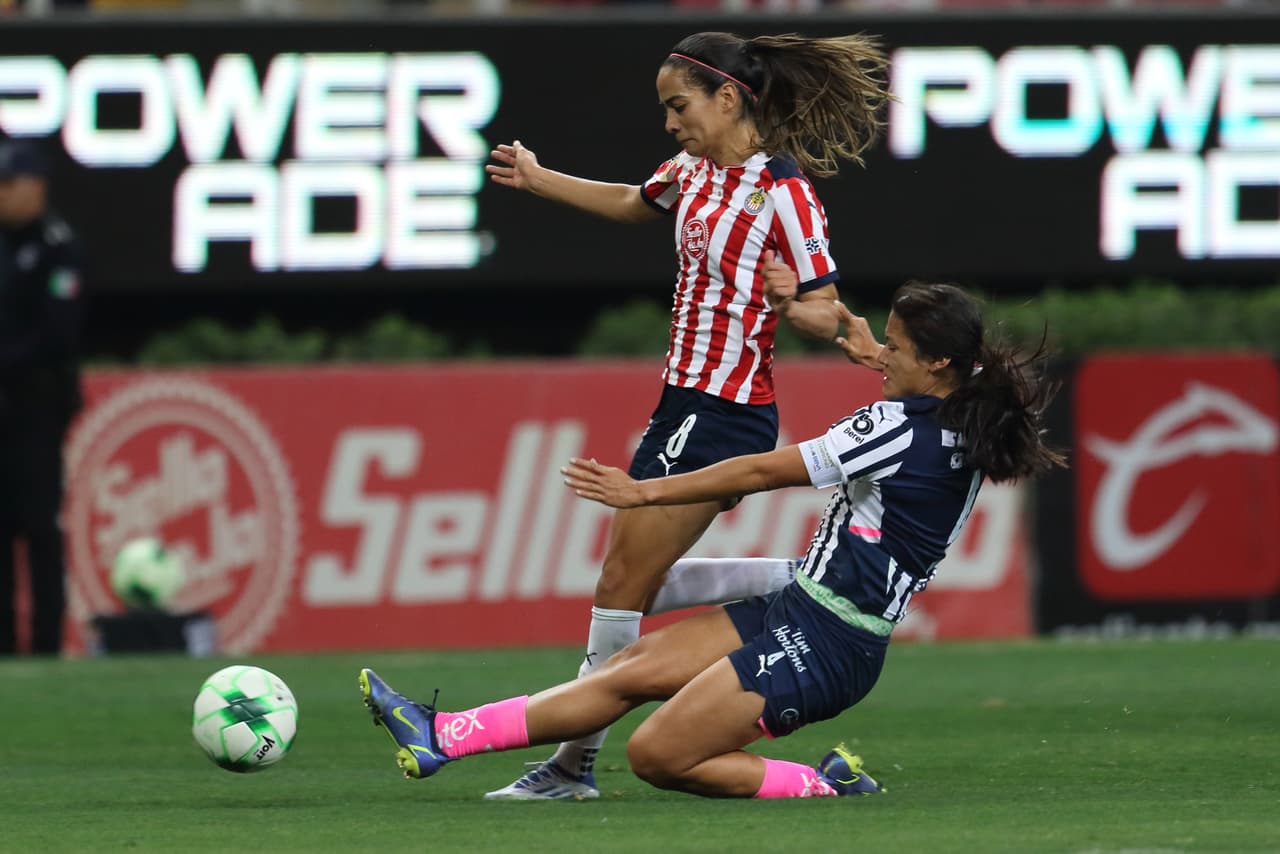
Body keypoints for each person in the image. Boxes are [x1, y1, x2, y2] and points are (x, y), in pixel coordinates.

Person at [358, 281, 1066, 800]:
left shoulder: (896, 427)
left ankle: (824, 787)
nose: (884, 354)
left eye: (897, 346)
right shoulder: (964, 424)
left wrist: (646, 492)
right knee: (630, 668)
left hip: (828, 643)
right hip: (807, 611)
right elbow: (910, 420)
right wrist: (875, 358)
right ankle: (443, 734)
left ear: (939, 366)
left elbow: (763, 468)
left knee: (658, 754)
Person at [480, 30, 890, 799]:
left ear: (728, 97)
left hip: (725, 410)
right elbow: (637, 205)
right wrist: (540, 181)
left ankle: (571, 767)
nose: (669, 123)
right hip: (682, 404)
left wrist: (789, 300)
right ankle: (806, 583)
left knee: (621, 583)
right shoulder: (692, 169)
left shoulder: (786, 192)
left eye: (679, 106)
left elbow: (824, 310)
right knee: (637, 580)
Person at [0, 138, 84, 656]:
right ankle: (5, 645)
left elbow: (58, 332)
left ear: (36, 187)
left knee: (40, 525)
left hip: (38, 408)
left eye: (10, 184)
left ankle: (49, 645)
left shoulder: (59, 244)